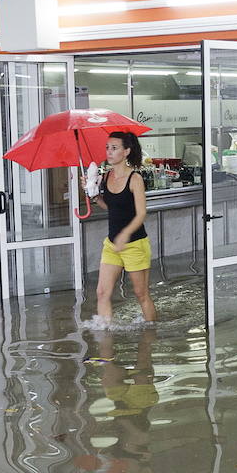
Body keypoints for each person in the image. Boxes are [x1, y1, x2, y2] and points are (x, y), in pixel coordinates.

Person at [91, 131, 156, 327]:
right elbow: (113, 208)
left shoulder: (135, 178)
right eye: (107, 148)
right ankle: (105, 340)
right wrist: (94, 195)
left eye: (114, 148)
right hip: (111, 245)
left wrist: (125, 234)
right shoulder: (105, 177)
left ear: (126, 151)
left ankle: (151, 335)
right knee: (102, 293)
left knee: (141, 294)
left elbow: (141, 213)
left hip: (135, 244)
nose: (109, 152)